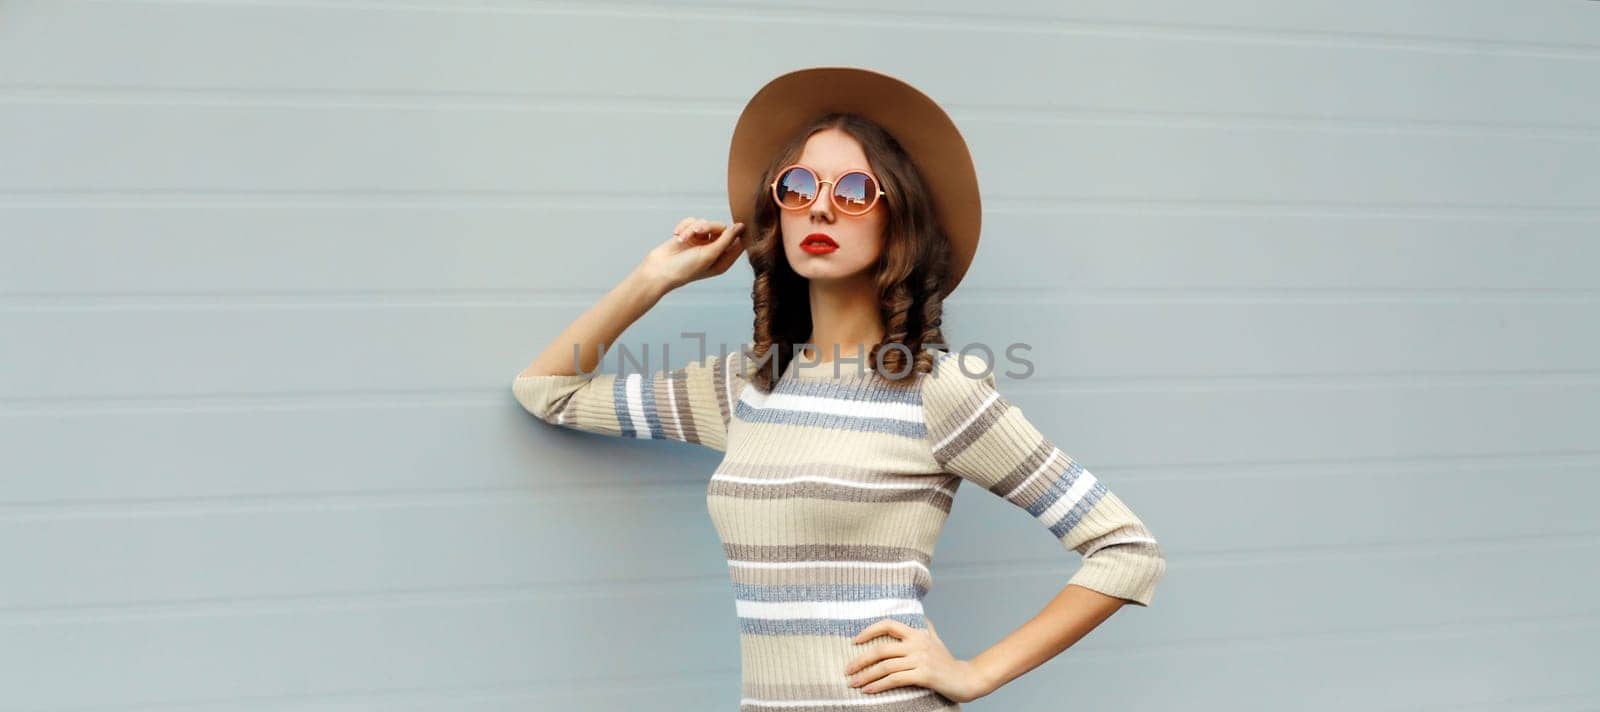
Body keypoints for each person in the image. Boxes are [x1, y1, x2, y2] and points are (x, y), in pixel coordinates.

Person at [513, 66, 1166, 711]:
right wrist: (655, 277)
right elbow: (548, 391)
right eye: (797, 186)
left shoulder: (937, 389)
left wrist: (976, 673)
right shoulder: (743, 386)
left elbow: (1125, 551)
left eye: (855, 190)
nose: (820, 205)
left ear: (896, 223)